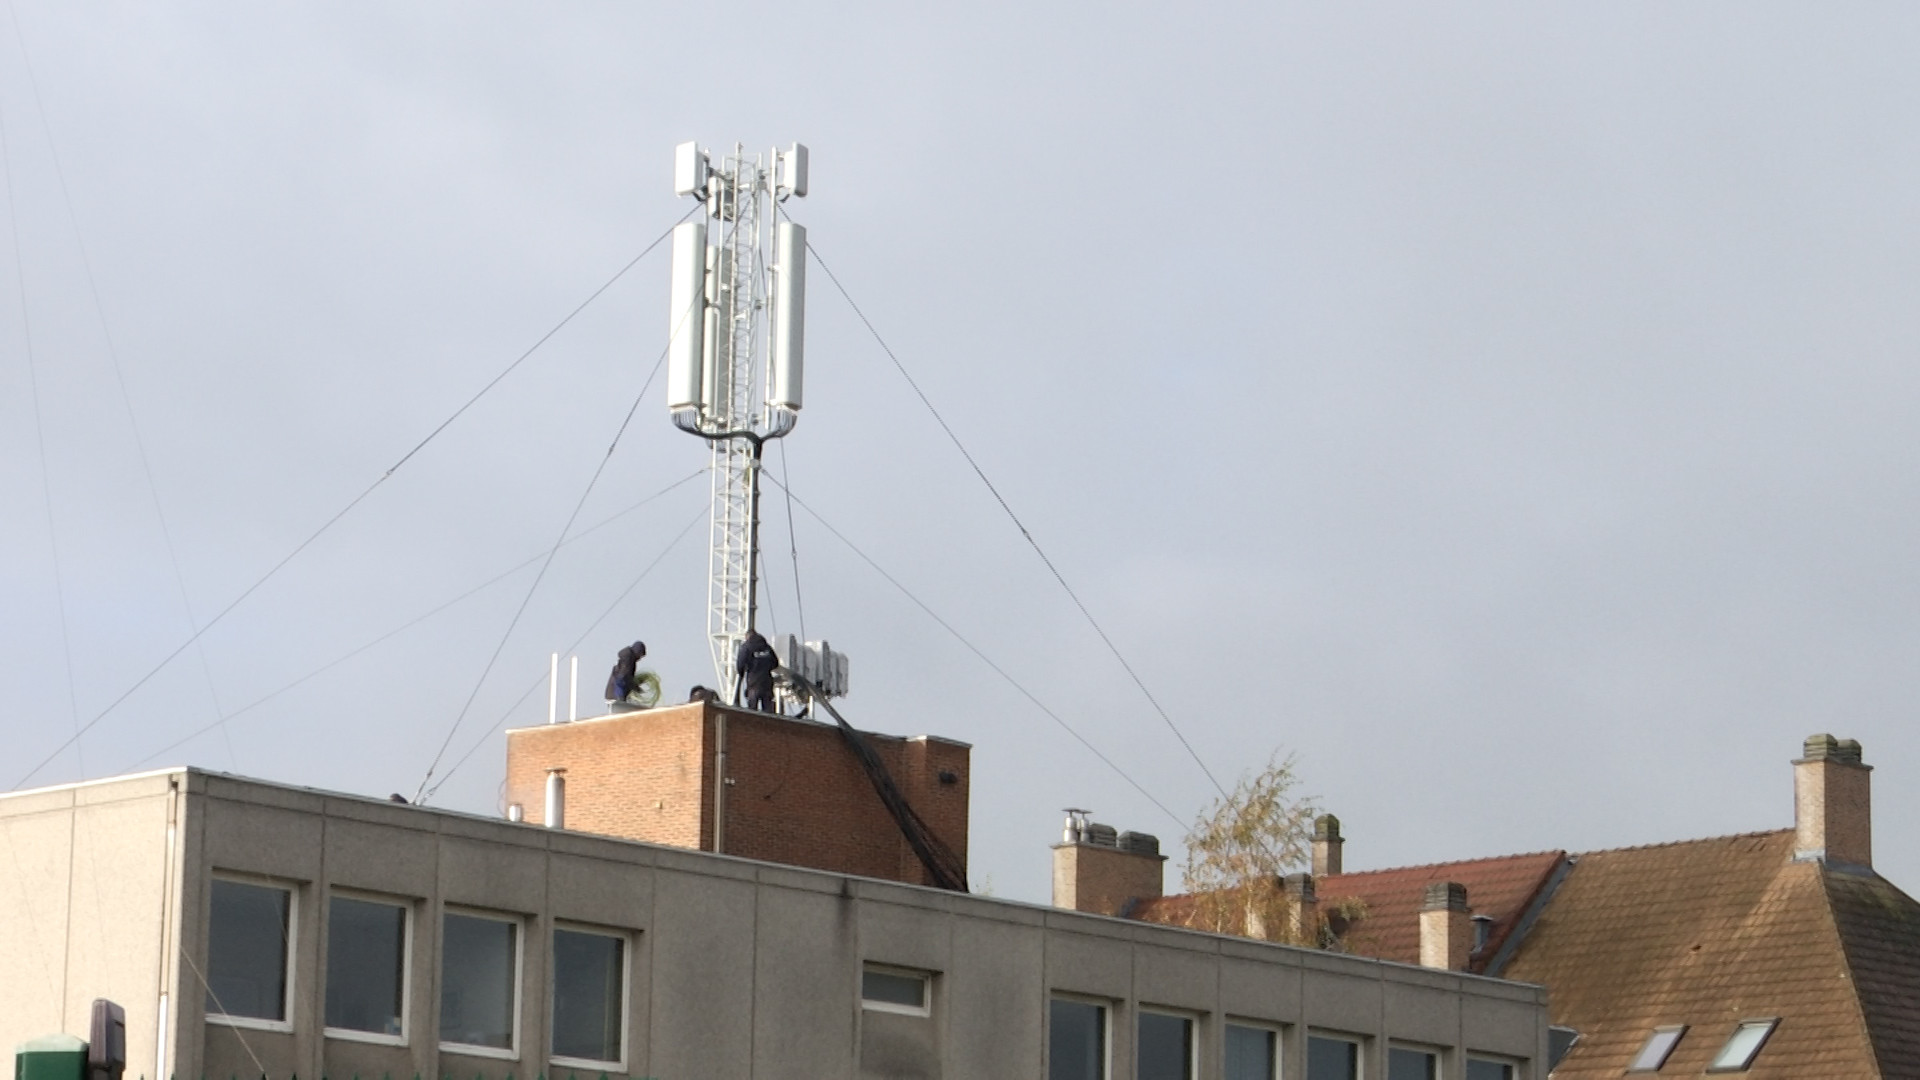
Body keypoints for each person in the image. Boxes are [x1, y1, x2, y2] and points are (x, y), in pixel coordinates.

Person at [735, 629, 777, 713]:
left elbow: (740, 664)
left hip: (754, 682)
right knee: (768, 712)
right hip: (767, 683)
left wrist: (743, 672)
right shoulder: (767, 647)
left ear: (747, 637)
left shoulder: (746, 647)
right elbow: (775, 663)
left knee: (752, 711)